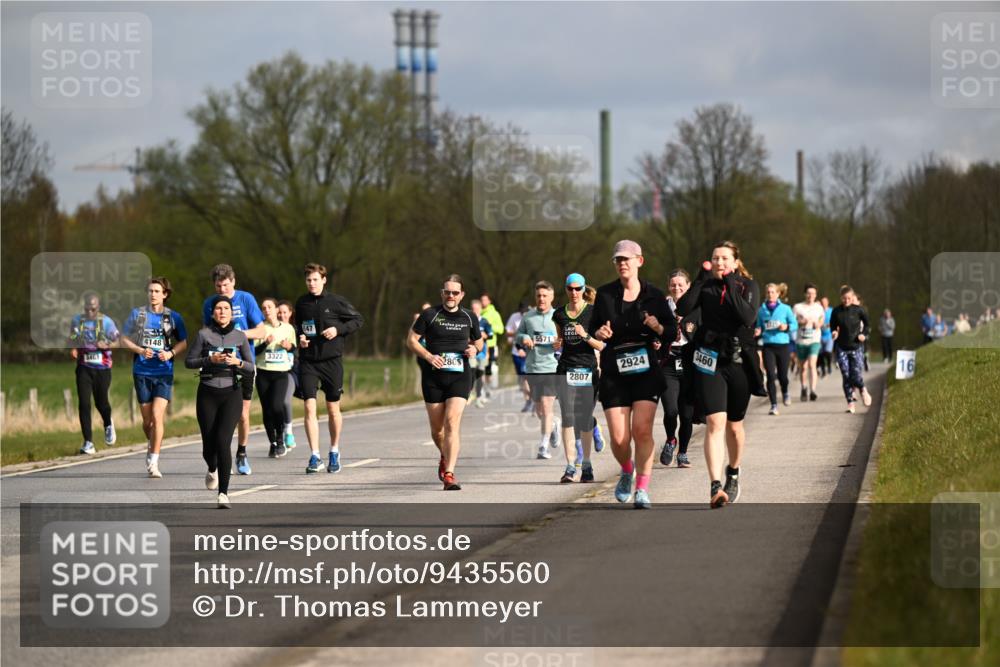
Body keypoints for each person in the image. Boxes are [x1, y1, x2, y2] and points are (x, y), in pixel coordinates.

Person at [676, 241, 764, 508]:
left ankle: (733, 472)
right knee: (715, 424)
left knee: (734, 427)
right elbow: (683, 308)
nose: (719, 262)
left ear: (735, 262)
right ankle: (715, 485)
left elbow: (747, 317)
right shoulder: (706, 287)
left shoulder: (748, 287)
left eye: (725, 258)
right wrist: (702, 281)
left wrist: (731, 283)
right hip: (709, 360)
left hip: (738, 362)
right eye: (715, 258)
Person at [589, 240, 673, 509]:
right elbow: (593, 329)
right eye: (618, 260)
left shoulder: (655, 296)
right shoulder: (604, 295)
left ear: (640, 261)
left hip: (646, 367)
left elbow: (672, 332)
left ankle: (643, 489)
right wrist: (599, 333)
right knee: (619, 437)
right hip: (615, 368)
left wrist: (658, 326)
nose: (622, 263)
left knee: (642, 430)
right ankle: (627, 470)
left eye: (627, 258)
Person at [408, 274, 483, 490]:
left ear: (462, 295)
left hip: (460, 376)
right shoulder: (429, 314)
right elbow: (411, 340)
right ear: (442, 293)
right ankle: (444, 454)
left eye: (455, 293)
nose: (451, 296)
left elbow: (479, 342)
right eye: (447, 292)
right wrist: (429, 356)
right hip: (433, 377)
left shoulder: (469, 317)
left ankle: (449, 474)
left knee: (452, 422)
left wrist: (474, 349)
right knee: (437, 430)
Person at [186, 295, 255, 508]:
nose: (222, 312)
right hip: (207, 392)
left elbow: (252, 368)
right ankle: (212, 467)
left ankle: (223, 494)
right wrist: (210, 360)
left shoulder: (240, 336)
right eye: (218, 308)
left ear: (232, 312)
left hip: (231, 393)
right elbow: (189, 362)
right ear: (213, 312)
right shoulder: (203, 335)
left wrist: (238, 362)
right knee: (209, 445)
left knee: (224, 441)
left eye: (226, 308)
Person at [295, 262, 364, 474]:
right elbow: (300, 327)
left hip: (331, 361)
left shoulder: (336, 302)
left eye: (315, 280)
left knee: (333, 409)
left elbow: (358, 320)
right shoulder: (302, 303)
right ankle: (315, 455)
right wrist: (302, 339)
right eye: (308, 280)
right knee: (309, 406)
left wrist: (338, 329)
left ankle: (334, 450)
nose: (312, 284)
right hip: (308, 361)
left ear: (323, 280)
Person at [121, 277, 188, 478]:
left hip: (164, 373)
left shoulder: (173, 317)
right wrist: (140, 350)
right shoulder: (137, 315)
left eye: (157, 291)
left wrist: (171, 353)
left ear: (165, 294)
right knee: (147, 422)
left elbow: (183, 342)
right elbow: (123, 339)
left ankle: (154, 461)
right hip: (141, 372)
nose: (153, 294)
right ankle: (152, 445)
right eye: (150, 291)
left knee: (158, 417)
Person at [202, 264, 265, 476]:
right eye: (218, 286)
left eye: (226, 286)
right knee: (221, 416)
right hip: (219, 365)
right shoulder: (209, 304)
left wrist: (238, 336)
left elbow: (262, 330)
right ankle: (222, 453)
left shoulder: (246, 299)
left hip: (243, 364)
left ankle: (241, 452)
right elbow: (206, 333)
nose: (222, 290)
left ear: (233, 282)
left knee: (243, 415)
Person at [553, 273, 601, 483]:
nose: (574, 293)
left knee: (584, 420)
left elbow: (601, 346)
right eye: (570, 289)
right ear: (565, 290)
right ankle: (570, 466)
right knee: (567, 417)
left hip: (588, 369)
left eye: (578, 288)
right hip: (566, 369)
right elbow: (560, 339)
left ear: (584, 289)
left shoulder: (594, 313)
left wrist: (586, 336)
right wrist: (558, 344)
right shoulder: (559, 314)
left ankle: (587, 465)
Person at [68, 293, 120, 455]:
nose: (90, 312)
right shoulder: (77, 321)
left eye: (93, 309)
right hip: (84, 367)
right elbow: (73, 339)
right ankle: (88, 442)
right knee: (84, 403)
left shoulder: (106, 322)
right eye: (87, 309)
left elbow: (119, 342)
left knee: (101, 402)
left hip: (103, 369)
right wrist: (74, 349)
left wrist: (108, 344)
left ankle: (108, 423)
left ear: (98, 308)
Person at [516, 282, 561, 460]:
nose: (541, 299)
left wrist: (560, 342)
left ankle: (543, 445)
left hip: (552, 367)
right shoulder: (528, 317)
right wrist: (525, 337)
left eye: (544, 295)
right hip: (533, 367)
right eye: (538, 296)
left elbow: (567, 338)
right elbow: (518, 337)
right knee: (539, 410)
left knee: (547, 405)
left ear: (551, 297)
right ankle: (555, 424)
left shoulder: (558, 316)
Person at [658, 269, 697, 468]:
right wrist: (656, 342)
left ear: (688, 286)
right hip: (668, 362)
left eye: (681, 284)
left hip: (690, 363)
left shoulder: (696, 307)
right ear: (669, 287)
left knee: (687, 414)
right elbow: (652, 330)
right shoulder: (663, 307)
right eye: (673, 284)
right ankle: (670, 439)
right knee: (671, 410)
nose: (677, 288)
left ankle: (683, 453)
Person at [255, 297, 296, 458]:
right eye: (263, 308)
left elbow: (293, 350)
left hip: (281, 373)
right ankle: (272, 442)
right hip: (263, 372)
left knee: (277, 406)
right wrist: (265, 343)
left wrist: (288, 346)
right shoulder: (260, 328)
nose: (266, 310)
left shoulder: (288, 328)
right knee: (267, 410)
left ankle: (280, 439)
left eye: (269, 307)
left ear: (276, 309)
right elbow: (254, 352)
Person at [755, 283, 797, 416]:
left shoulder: (786, 308)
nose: (770, 294)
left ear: (778, 294)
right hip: (768, 346)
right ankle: (773, 405)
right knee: (771, 376)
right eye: (768, 292)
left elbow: (794, 324)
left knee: (782, 376)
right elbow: (759, 326)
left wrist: (786, 327)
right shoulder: (761, 310)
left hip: (783, 345)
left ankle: (785, 391)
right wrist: (758, 330)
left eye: (773, 292)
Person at [830, 285, 871, 414]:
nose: (846, 301)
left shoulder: (859, 310)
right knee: (846, 375)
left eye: (848, 298)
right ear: (841, 298)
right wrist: (834, 333)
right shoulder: (836, 311)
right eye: (844, 298)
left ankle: (863, 389)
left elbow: (868, 325)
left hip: (856, 347)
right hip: (841, 347)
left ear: (852, 297)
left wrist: (863, 334)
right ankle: (850, 403)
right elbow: (833, 325)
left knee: (855, 375)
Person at [793, 283, 826, 401]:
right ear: (805, 294)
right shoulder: (798, 307)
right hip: (801, 340)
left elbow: (822, 321)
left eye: (813, 293)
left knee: (812, 364)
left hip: (814, 340)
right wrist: (801, 322)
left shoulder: (819, 307)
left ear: (816, 295)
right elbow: (793, 322)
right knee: (803, 367)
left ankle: (813, 391)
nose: (810, 295)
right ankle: (803, 388)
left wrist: (818, 324)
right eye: (808, 293)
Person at [276, 300, 298, 450]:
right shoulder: (272, 329)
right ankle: (276, 438)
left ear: (290, 313)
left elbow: (299, 351)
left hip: (291, 371)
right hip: (273, 372)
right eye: (279, 312)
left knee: (285, 401)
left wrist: (290, 348)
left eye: (285, 312)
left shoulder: (295, 330)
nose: (282, 315)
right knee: (274, 406)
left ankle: (288, 432)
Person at [505, 301, 532, 412]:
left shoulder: (533, 317)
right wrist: (517, 333)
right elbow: (508, 332)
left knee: (528, 377)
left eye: (525, 312)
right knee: (522, 378)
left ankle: (532, 400)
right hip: (517, 352)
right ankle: (528, 401)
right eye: (522, 312)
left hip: (530, 352)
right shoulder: (514, 317)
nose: (523, 314)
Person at [469, 299, 493, 407]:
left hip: (482, 352)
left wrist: (485, 336)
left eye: (477, 309)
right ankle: (471, 393)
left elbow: (491, 335)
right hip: (471, 351)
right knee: (471, 371)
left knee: (480, 374)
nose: (475, 311)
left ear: (481, 309)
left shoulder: (485, 321)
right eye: (473, 309)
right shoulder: (467, 320)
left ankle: (478, 397)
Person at [480, 293, 504, 393]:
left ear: (489, 301)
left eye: (485, 300)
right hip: (480, 345)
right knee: (480, 367)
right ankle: (480, 389)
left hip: (490, 344)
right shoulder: (478, 313)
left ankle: (488, 387)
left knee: (488, 368)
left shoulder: (495, 314)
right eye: (481, 300)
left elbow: (501, 329)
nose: (483, 302)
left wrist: (489, 329)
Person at [819, 296, 834, 378]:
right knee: (820, 354)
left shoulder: (831, 311)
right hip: (819, 336)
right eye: (822, 302)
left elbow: (835, 321)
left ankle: (829, 365)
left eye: (825, 302)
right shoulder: (818, 311)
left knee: (827, 352)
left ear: (828, 302)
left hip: (829, 335)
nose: (823, 303)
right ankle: (823, 369)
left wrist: (829, 325)